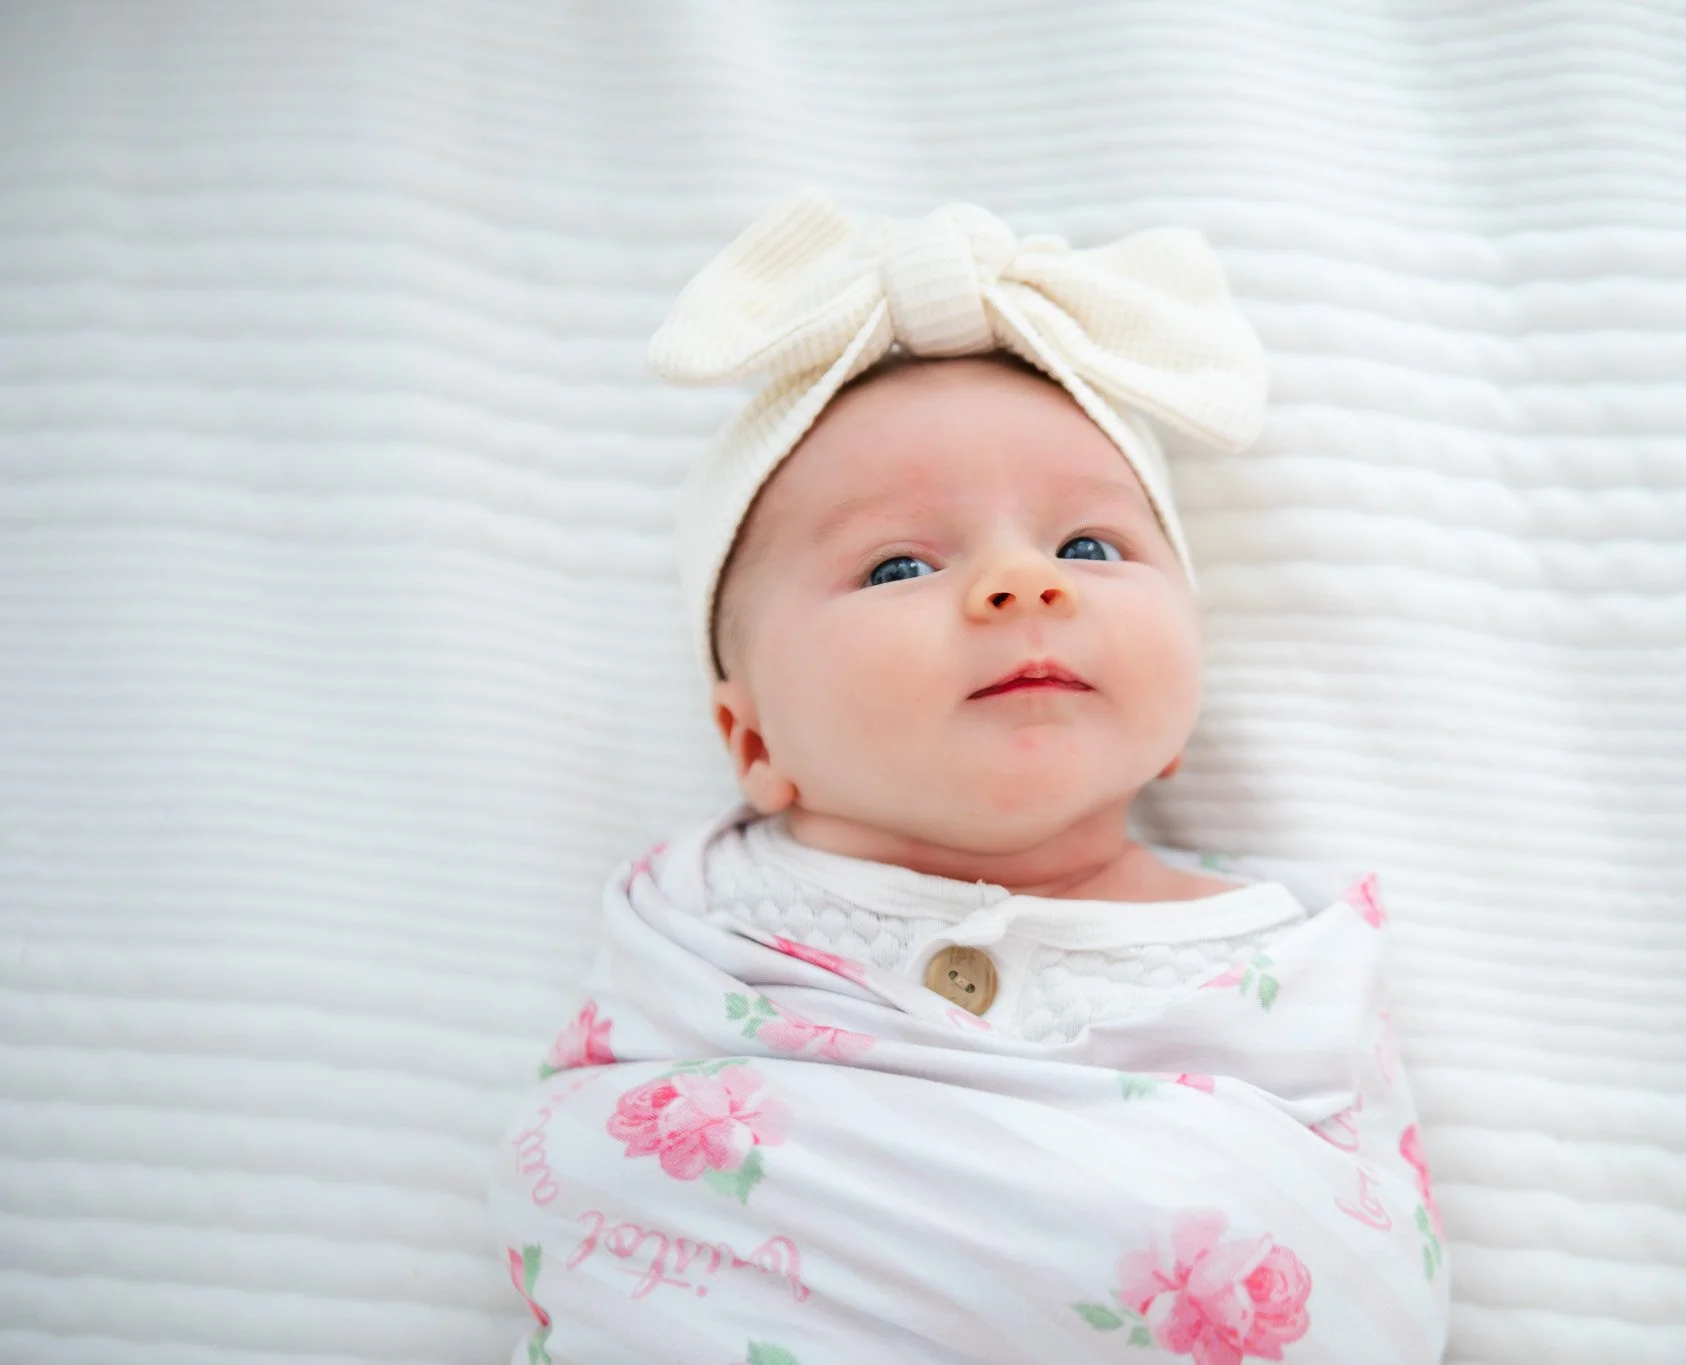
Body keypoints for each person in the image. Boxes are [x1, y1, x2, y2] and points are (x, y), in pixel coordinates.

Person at [489, 191, 1449, 1365]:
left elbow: (1366, 1284)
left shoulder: (1283, 959)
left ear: (1175, 720)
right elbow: (600, 1185)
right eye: (897, 563)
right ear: (753, 745)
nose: (1020, 584)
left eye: (1088, 547)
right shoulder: (688, 939)